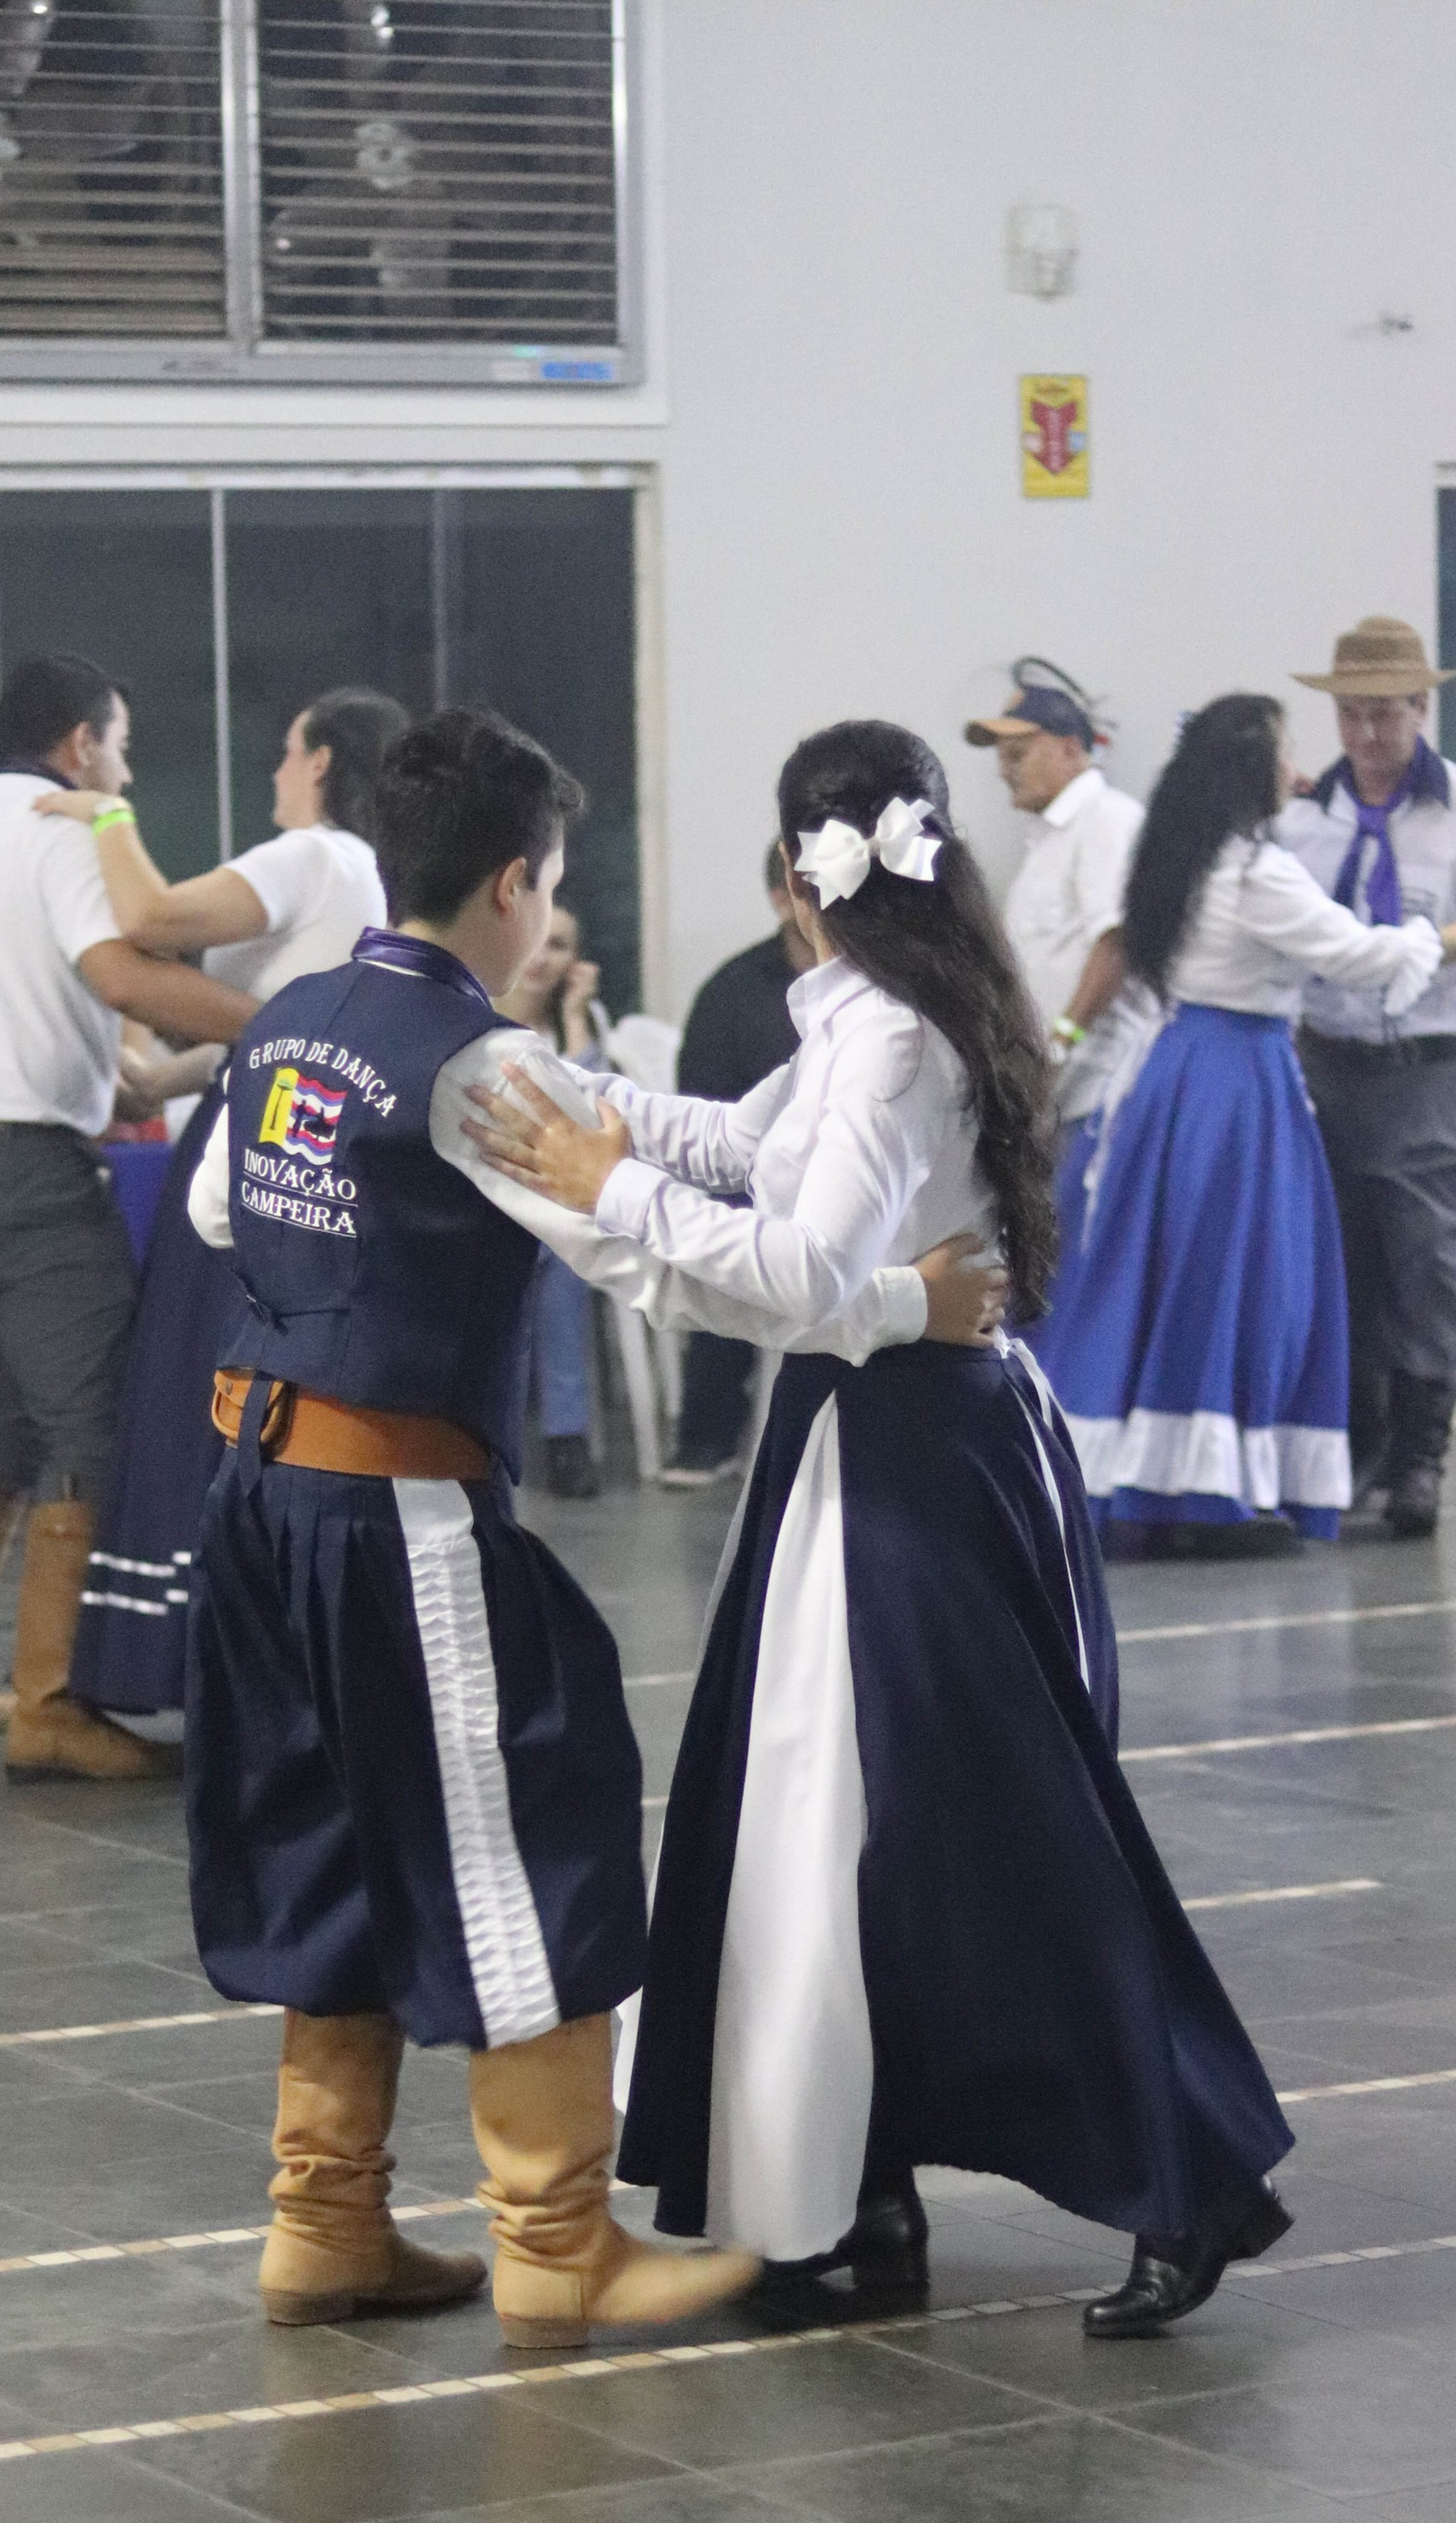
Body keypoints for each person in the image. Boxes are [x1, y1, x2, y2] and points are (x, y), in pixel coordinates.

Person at [465, 717, 1303, 2345]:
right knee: (827, 1847)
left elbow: (792, 1271)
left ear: (793, 877)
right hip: (887, 1440)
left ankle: (1183, 2172)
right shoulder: (884, 1009)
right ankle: (848, 2190)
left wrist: (603, 1186)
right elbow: (745, 1145)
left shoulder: (888, 1038)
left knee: (975, 1840)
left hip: (907, 1458)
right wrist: (586, 1112)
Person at [181, 705, 988, 2344]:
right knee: (525, 1823)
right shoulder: (474, 1061)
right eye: (546, 888)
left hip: (250, 1494)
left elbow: (214, 1208)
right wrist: (899, 1300)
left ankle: (322, 2220)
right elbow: (656, 1263)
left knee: (331, 1831)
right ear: (509, 884)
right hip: (390, 1497)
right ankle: (554, 2240)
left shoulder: (290, 1016)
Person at [1030, 696, 1456, 1556]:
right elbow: (1364, 954)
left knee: (1173, 1275)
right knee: (1233, 1280)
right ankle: (1205, 1490)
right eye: (1282, 755)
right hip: (1239, 1082)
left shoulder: (1179, 858)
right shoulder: (1252, 872)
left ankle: (1160, 1479)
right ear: (1250, 773)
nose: (1298, 770)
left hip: (1176, 1073)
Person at [0, 652, 257, 1778]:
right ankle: (53, 1708)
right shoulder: (61, 834)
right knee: (97, 1418)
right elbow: (127, 979)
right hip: (16, 1177)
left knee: (11, 1419)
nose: (123, 764)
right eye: (121, 742)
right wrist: (287, 1018)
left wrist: (130, 1071)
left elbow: (54, 1015)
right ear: (81, 745)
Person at [34, 688, 406, 1711]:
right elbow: (282, 1022)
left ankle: (204, 1654)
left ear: (323, 762)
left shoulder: (310, 856)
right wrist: (163, 1078)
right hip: (309, 1139)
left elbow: (150, 917)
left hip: (251, 1152)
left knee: (204, 1388)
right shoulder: (369, 874)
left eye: (289, 752)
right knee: (264, 1393)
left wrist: (105, 815)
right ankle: (275, 1661)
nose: (277, 770)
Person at [1278, 616, 1456, 1538]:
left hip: (1429, 1071)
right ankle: (1357, 1454)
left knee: (1433, 1270)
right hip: (1325, 1069)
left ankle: (1420, 1464)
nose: (1366, 737)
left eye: (1385, 717)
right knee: (1345, 1272)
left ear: (1421, 708)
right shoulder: (1301, 819)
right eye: (1351, 716)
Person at [965, 660, 1152, 1285]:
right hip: (1057, 1101)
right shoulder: (1047, 842)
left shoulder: (1106, 821)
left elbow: (1117, 942)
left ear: (1072, 749)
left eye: (1019, 750)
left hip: (1100, 1096)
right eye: (1001, 753)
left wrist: (1061, 1041)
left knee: (1089, 1276)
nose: (1003, 766)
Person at [662, 842, 815, 1486]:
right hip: (754, 1180)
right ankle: (711, 1434)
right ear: (781, 900)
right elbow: (703, 1113)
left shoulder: (886, 989)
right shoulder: (732, 992)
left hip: (856, 1176)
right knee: (727, 1238)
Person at [496, 897, 609, 1497]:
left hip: (554, 1204)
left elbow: (598, 1119)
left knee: (564, 1249)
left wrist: (575, 1017)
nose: (544, 956)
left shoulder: (576, 1027)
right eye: (537, 937)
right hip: (485, 1199)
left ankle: (567, 1437)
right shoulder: (473, 1014)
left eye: (561, 944)